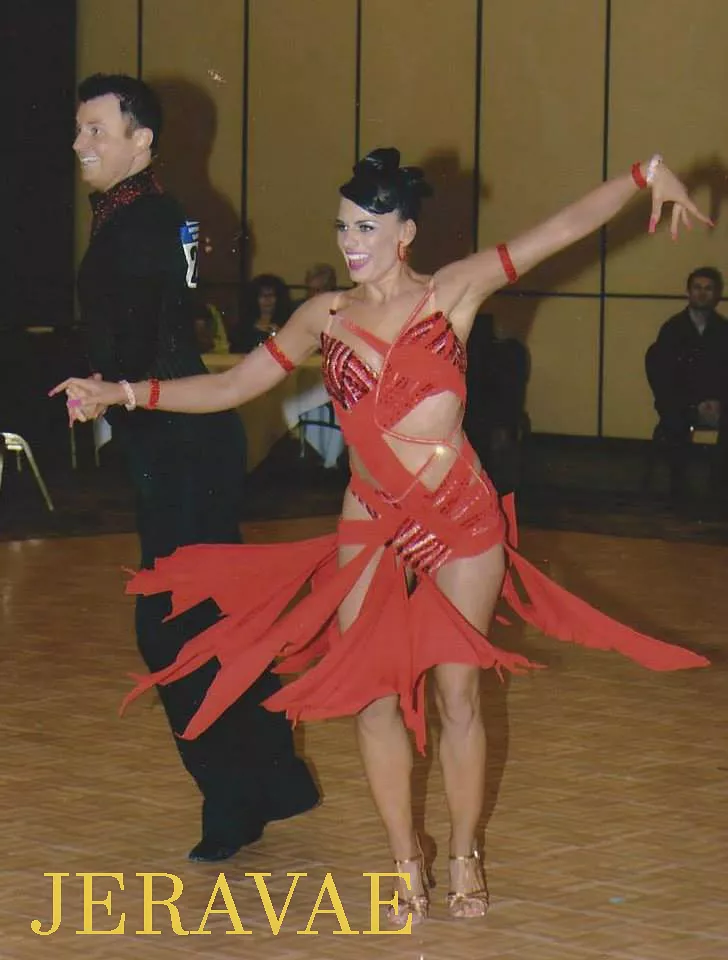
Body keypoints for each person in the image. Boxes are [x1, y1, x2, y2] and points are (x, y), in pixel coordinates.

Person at [54, 147, 710, 925]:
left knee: (457, 693)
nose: (350, 241)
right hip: (370, 520)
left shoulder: (452, 292)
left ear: (405, 231)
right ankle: (406, 860)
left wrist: (644, 177)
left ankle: (465, 850)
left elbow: (556, 231)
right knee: (370, 698)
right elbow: (234, 385)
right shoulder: (323, 316)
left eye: (367, 226)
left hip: (460, 517)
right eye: (342, 226)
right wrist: (124, 391)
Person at [68, 73, 318, 863]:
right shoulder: (134, 214)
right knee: (208, 624)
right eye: (79, 130)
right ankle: (267, 783)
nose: (81, 144)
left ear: (142, 141)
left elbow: (152, 335)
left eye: (97, 131)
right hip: (172, 437)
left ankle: (240, 794)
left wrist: (115, 389)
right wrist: (107, 393)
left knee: (174, 630)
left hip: (182, 443)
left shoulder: (149, 218)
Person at [645, 267, 728, 497]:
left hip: (717, 402)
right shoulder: (672, 329)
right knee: (674, 419)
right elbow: (664, 378)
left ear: (717, 294)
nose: (702, 294)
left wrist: (717, 401)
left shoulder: (724, 330)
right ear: (688, 292)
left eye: (708, 289)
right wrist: (695, 404)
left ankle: (719, 486)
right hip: (681, 402)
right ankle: (678, 488)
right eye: (697, 288)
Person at [229, 273, 292, 353]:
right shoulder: (242, 330)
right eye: (262, 295)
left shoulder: (289, 326)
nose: (267, 300)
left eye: (271, 295)